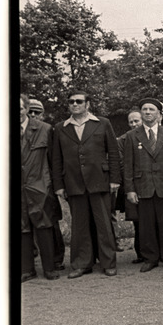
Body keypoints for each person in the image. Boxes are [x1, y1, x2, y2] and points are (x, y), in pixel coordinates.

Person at [51, 90, 120, 278]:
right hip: (73, 183)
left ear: (87, 104)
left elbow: (113, 152)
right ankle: (82, 263)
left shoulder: (102, 123)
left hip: (100, 181)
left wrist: (115, 179)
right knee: (79, 226)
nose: (75, 104)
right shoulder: (60, 127)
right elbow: (56, 158)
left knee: (104, 224)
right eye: (71, 102)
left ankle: (108, 263)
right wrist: (59, 185)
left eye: (79, 101)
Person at [122, 98, 163, 272]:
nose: (147, 112)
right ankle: (150, 258)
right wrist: (130, 190)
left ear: (159, 114)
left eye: (151, 109)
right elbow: (127, 165)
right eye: (144, 109)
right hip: (143, 187)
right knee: (146, 225)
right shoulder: (132, 136)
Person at [20, 94, 60, 281]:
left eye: (20, 107)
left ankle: (49, 267)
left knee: (44, 227)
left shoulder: (45, 129)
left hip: (40, 186)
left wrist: (53, 186)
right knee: (22, 229)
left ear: (26, 109)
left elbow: (54, 161)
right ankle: (27, 269)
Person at [29, 97, 65, 270]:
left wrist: (55, 184)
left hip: (46, 184)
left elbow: (55, 160)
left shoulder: (48, 131)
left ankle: (56, 259)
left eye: (37, 112)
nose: (34, 115)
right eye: (31, 112)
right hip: (27, 186)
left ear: (43, 115)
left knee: (51, 222)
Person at [115, 110, 144, 263]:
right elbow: (121, 164)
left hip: (150, 184)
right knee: (137, 221)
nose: (133, 124)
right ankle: (140, 253)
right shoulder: (123, 140)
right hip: (132, 184)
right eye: (131, 122)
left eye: (136, 121)